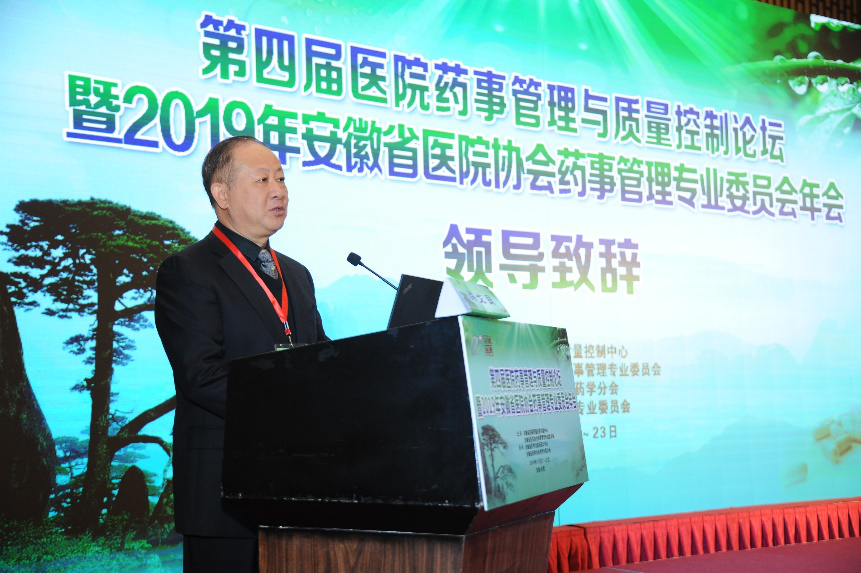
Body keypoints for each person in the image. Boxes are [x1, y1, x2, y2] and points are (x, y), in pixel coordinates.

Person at [155, 135, 328, 573]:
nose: (279, 191)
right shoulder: (188, 270)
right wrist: (296, 409)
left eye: (282, 179)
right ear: (222, 194)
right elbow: (201, 376)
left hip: (300, 487)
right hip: (224, 493)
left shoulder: (298, 274)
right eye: (262, 180)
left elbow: (322, 361)